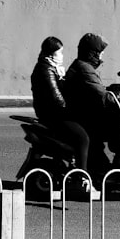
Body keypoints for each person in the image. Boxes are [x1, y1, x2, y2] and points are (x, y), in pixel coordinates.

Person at [64, 33, 120, 184]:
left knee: (116, 121)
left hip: (83, 114)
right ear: (93, 52)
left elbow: (95, 90)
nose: (102, 56)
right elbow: (102, 96)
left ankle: (109, 166)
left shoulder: (82, 66)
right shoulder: (85, 69)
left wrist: (114, 91)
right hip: (84, 117)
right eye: (100, 52)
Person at [30, 36, 91, 191]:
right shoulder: (45, 70)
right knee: (82, 137)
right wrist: (73, 111)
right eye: (60, 52)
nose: (62, 56)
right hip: (53, 115)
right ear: (51, 54)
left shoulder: (50, 67)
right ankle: (81, 178)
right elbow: (57, 98)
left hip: (54, 113)